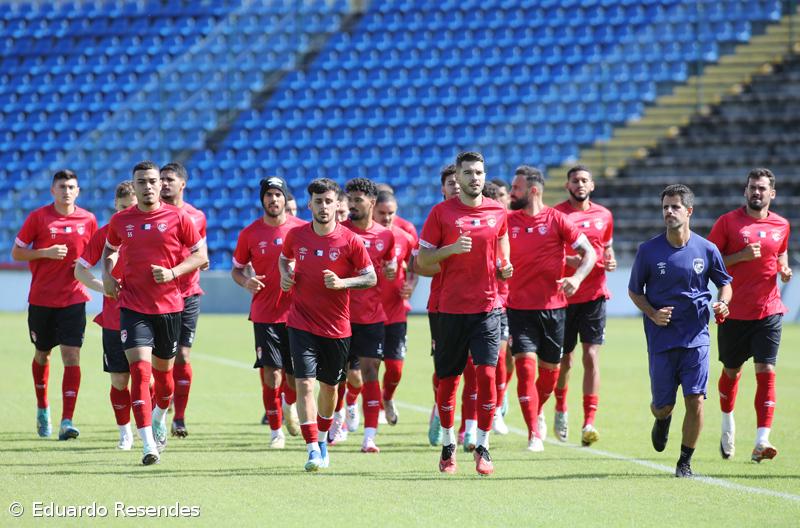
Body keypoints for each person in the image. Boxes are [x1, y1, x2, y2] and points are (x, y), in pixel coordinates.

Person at [102, 161, 207, 465]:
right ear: (133, 187)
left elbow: (201, 255)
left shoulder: (179, 217)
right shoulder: (121, 220)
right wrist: (108, 274)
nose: (147, 186)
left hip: (170, 307)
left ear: (161, 185)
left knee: (164, 380)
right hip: (133, 306)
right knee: (139, 372)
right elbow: (109, 250)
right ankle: (147, 443)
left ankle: (161, 413)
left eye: (152, 181)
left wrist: (173, 272)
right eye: (141, 182)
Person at [418, 151, 513, 476]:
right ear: (456, 178)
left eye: (480, 172)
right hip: (450, 310)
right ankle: (447, 444)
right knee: (448, 381)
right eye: (469, 172)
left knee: (488, 376)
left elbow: (502, 244)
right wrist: (450, 250)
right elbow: (422, 262)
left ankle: (483, 446)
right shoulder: (441, 213)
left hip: (488, 308)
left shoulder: (497, 211)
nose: (475, 178)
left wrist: (504, 266)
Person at [629, 184, 731, 478]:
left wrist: (723, 303)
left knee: (696, 399)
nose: (669, 212)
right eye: (665, 207)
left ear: (689, 211)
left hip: (697, 337)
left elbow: (725, 283)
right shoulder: (648, 251)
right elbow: (635, 291)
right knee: (662, 406)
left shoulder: (707, 249)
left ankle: (685, 461)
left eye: (675, 207)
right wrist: (652, 313)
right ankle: (663, 420)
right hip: (661, 339)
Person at [279, 178, 376, 472]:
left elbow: (370, 277)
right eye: (318, 202)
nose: (323, 207)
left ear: (338, 205)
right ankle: (311, 448)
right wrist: (285, 274)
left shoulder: (350, 240)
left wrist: (343, 282)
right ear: (310, 204)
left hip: (336, 327)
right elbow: (285, 260)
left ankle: (322, 439)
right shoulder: (296, 236)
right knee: (304, 383)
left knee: (330, 388)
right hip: (300, 322)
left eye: (328, 201)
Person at [505, 166, 596, 452]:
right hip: (518, 308)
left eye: (516, 188)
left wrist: (577, 278)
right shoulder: (507, 221)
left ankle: (539, 409)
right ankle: (534, 433)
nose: (511, 193)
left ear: (533, 190)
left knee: (549, 375)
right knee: (525, 368)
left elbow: (589, 252)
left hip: (554, 309)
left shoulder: (557, 220)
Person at [707, 168, 791, 462]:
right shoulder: (728, 223)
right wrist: (740, 257)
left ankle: (761, 440)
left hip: (768, 310)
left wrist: (784, 267)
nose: (757, 192)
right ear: (746, 191)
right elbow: (709, 262)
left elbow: (781, 251)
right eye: (753, 187)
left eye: (762, 188)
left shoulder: (782, 224)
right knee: (731, 371)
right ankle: (727, 421)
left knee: (766, 372)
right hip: (733, 312)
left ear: (772, 193)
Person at [13, 169, 98, 440]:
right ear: (52, 190)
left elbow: (95, 254)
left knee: (72, 355)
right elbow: (16, 252)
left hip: (74, 298)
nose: (66, 191)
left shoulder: (88, 219)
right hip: (41, 299)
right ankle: (42, 407)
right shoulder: (38, 217)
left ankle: (67, 420)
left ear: (78, 191)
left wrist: (87, 268)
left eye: (71, 186)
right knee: (42, 354)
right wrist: (44, 253)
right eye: (61, 186)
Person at [231, 176, 306, 448]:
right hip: (265, 313)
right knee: (271, 374)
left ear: (286, 199)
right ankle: (276, 432)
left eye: (278, 194)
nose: (273, 199)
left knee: (296, 376)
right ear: (262, 199)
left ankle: (289, 405)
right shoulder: (249, 233)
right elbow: (237, 269)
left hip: (299, 314)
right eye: (268, 195)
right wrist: (246, 281)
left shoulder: (302, 230)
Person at [552, 165, 616, 446]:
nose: (579, 184)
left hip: (594, 296)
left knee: (591, 356)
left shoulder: (604, 215)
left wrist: (610, 259)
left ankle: (589, 421)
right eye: (575, 180)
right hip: (564, 297)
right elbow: (549, 253)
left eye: (584, 180)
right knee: (564, 361)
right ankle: (561, 408)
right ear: (567, 186)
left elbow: (607, 246)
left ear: (592, 186)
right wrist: (569, 262)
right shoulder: (557, 215)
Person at [75, 181, 137, 449]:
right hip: (113, 318)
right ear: (115, 206)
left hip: (145, 314)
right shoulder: (105, 234)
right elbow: (80, 270)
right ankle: (125, 432)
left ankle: (152, 426)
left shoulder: (149, 233)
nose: (126, 212)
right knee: (120, 379)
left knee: (146, 376)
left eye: (131, 207)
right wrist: (105, 286)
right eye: (122, 207)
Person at [341, 178, 397, 453]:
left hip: (372, 315)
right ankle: (342, 414)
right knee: (341, 375)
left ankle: (369, 436)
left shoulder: (386, 236)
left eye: (358, 199)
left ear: (371, 203)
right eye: (349, 199)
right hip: (340, 315)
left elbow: (390, 264)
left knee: (371, 371)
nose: (351, 204)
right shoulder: (339, 232)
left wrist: (391, 270)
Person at [159, 162, 207, 438]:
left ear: (182, 184)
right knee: (159, 358)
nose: (164, 184)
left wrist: (203, 260)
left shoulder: (196, 216)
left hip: (187, 292)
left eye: (169, 179)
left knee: (183, 355)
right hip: (158, 296)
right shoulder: (153, 214)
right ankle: (159, 412)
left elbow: (202, 249)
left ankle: (179, 417)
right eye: (161, 179)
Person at [415, 164, 459, 447]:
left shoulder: (481, 214)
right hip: (442, 305)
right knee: (446, 367)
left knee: (476, 366)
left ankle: (468, 425)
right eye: (450, 183)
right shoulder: (438, 216)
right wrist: (446, 262)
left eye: (459, 181)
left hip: (479, 304)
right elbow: (421, 263)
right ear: (442, 188)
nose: (456, 186)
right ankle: (439, 409)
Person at [373, 191, 418, 425]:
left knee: (395, 368)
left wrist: (409, 284)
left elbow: (414, 266)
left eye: (391, 213)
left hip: (395, 310)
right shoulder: (361, 237)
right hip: (367, 312)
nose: (387, 218)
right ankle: (356, 408)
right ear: (372, 210)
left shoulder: (404, 237)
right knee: (367, 368)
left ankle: (387, 398)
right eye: (382, 213)